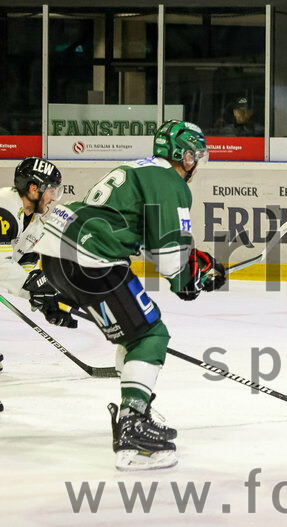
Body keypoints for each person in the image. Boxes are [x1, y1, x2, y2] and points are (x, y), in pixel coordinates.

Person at [28, 120, 227, 470]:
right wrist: (189, 280)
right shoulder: (170, 182)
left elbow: (149, 236)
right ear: (187, 155)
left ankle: (138, 406)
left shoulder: (137, 168)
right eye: (197, 156)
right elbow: (169, 260)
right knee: (150, 334)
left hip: (58, 256)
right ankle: (133, 424)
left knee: (133, 333)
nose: (197, 165)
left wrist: (194, 262)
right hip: (94, 261)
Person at [0, 157, 74, 413]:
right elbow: (0, 266)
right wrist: (35, 288)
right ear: (34, 189)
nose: (54, 197)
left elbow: (25, 268)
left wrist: (45, 302)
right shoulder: (4, 209)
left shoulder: (35, 222)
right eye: (51, 190)